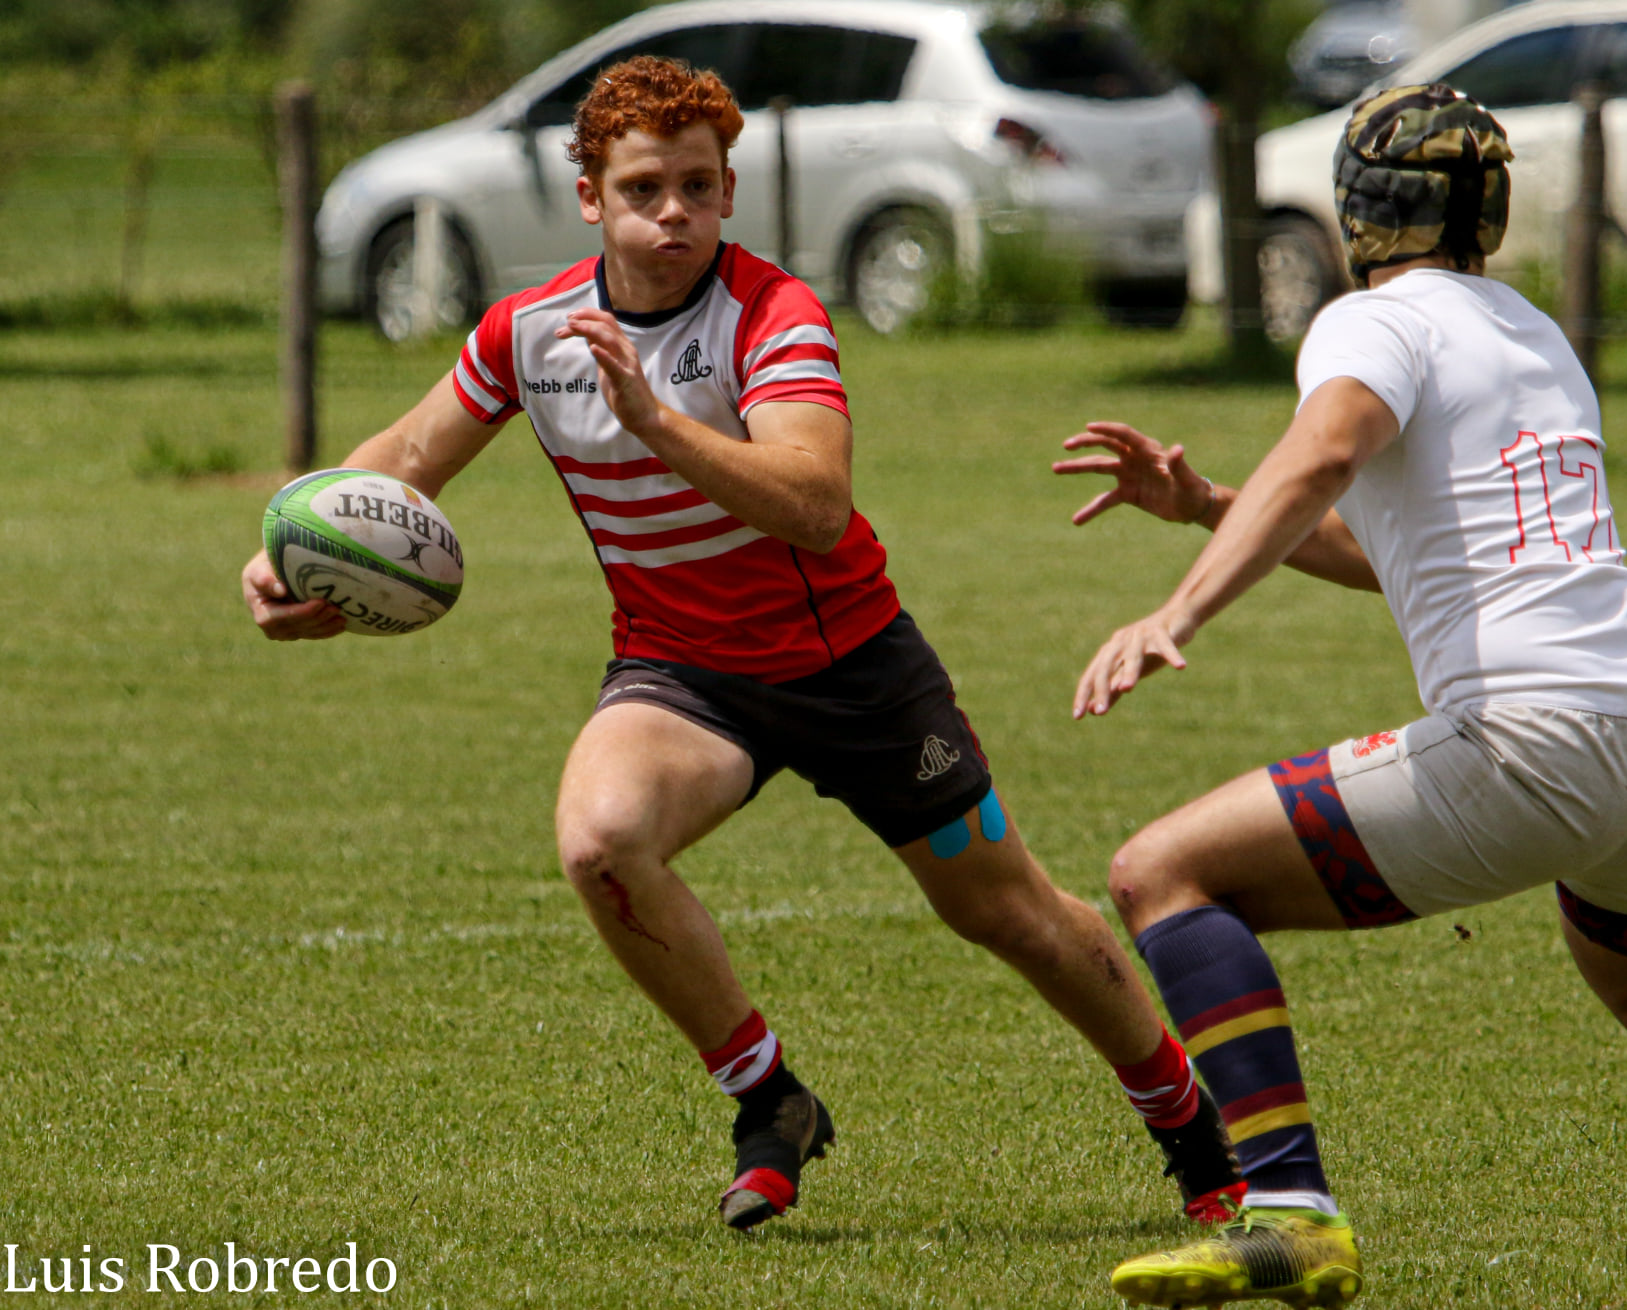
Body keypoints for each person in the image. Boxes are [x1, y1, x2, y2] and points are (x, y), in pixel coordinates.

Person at [239, 56, 1244, 1231]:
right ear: (589, 199)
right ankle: (770, 1097)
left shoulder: (774, 315)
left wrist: (654, 419)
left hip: (853, 668)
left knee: (1004, 910)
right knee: (602, 840)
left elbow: (815, 502)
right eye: (645, 188)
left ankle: (1194, 1132)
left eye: (701, 188)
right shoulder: (529, 332)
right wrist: (288, 550)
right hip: (683, 673)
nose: (675, 214)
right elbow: (405, 459)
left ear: (728, 192)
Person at [1058, 85, 1627, 1309]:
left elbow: (1330, 447)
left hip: (1537, 732)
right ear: (1488, 212)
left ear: (1355, 204)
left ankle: (1290, 1213)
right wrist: (1206, 503)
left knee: (1160, 873)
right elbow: (1385, 544)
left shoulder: (1365, 322)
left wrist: (1173, 610)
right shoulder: (1524, 328)